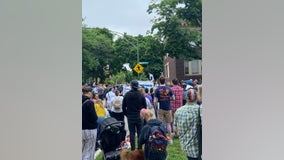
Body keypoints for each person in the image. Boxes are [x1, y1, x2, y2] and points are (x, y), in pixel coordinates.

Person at [174, 89, 202, 160]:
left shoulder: (178, 111)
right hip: (199, 149)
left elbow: (175, 129)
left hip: (186, 148)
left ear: (186, 98)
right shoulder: (200, 109)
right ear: (196, 98)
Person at [123, 80, 147, 151]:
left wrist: (126, 114)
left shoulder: (127, 95)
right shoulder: (141, 95)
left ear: (131, 86)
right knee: (140, 132)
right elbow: (144, 106)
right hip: (139, 116)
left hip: (130, 116)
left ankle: (133, 149)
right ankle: (140, 148)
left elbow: (123, 106)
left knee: (132, 133)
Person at [154, 76, 175, 143]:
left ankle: (162, 137)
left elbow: (155, 101)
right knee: (168, 124)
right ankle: (170, 138)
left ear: (159, 81)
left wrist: (156, 107)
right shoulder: (169, 88)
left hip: (160, 108)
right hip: (168, 108)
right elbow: (173, 98)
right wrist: (168, 99)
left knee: (161, 124)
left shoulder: (157, 89)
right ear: (165, 81)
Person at [82, 85, 98, 160]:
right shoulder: (89, 103)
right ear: (89, 93)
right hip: (90, 129)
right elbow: (94, 117)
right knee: (89, 151)